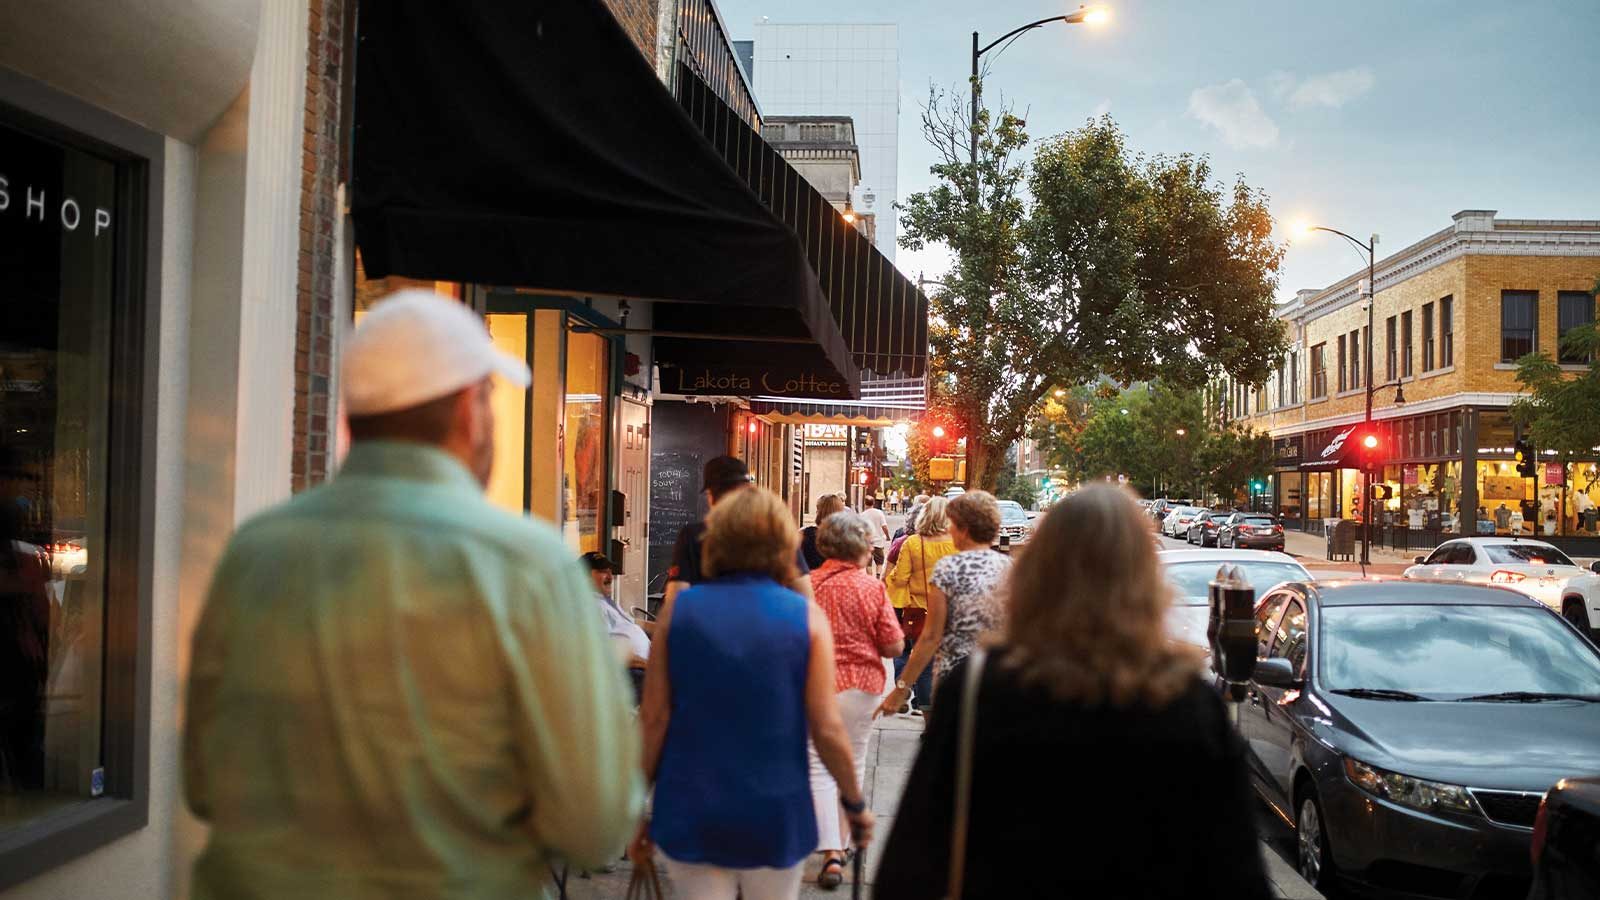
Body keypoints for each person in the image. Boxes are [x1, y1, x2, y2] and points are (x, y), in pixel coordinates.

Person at [184, 290, 641, 898]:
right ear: (466, 411)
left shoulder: (254, 553)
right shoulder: (527, 568)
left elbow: (204, 782)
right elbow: (595, 823)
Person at [875, 485, 1271, 898]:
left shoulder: (979, 690)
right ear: (1145, 577)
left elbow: (911, 861)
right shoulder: (1187, 704)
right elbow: (1236, 872)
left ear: (1039, 569)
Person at [635, 488, 874, 899]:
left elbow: (654, 718)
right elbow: (826, 727)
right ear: (784, 545)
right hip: (774, 806)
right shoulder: (806, 618)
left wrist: (634, 806)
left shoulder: (680, 611)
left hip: (693, 802)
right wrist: (854, 803)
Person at [806, 511, 905, 888]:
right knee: (854, 761)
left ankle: (830, 848)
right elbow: (893, 645)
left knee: (817, 764)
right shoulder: (870, 589)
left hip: (815, 685)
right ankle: (844, 845)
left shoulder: (807, 584)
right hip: (861, 687)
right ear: (860, 547)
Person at [878, 491, 1009, 719]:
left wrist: (901, 689)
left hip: (954, 675)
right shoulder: (1010, 569)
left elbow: (931, 637)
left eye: (952, 525)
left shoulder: (949, 569)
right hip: (994, 675)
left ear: (964, 529)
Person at [666, 456, 812, 606]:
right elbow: (806, 596)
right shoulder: (777, 531)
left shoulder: (694, 535)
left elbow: (675, 603)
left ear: (711, 495)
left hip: (708, 624)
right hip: (773, 624)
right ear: (748, 489)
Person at [882, 496, 956, 714]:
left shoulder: (913, 543)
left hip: (919, 610)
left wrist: (894, 594)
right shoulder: (957, 543)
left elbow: (900, 578)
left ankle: (927, 715)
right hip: (949, 611)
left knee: (923, 663)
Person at [585, 551, 652, 705]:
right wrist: (652, 666)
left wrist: (665, 626)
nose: (610, 576)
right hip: (628, 675)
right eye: (602, 571)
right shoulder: (589, 606)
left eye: (610, 571)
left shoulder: (605, 601)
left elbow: (633, 623)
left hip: (641, 669)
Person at [800, 492, 847, 571]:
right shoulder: (847, 538)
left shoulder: (803, 535)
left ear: (819, 511)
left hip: (810, 580)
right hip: (838, 582)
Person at [858, 495, 891, 576]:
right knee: (880, 561)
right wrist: (887, 536)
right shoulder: (879, 513)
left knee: (868, 563)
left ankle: (870, 578)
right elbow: (884, 526)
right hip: (878, 542)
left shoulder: (862, 515)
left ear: (865, 503)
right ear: (873, 503)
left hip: (867, 543)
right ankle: (878, 574)